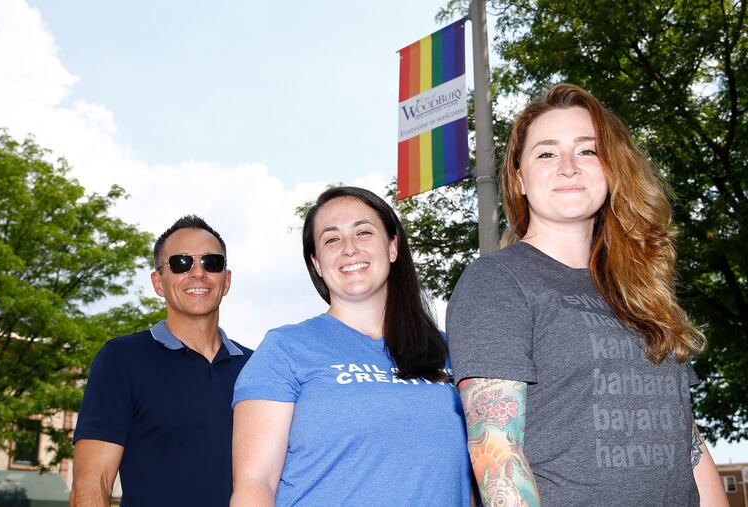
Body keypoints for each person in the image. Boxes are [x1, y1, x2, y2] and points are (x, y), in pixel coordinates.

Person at [447, 84, 728, 506]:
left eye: (587, 150)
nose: (568, 167)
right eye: (546, 152)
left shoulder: (644, 289)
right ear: (519, 178)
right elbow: (497, 453)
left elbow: (685, 438)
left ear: (612, 168)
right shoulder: (497, 281)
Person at [230, 186, 471, 506]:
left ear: (393, 247)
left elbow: (474, 474)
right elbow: (254, 484)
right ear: (316, 263)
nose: (349, 248)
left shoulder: (450, 351)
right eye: (331, 239)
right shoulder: (284, 349)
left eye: (363, 232)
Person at [70, 215, 253, 507]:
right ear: (158, 282)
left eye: (211, 263)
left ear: (226, 280)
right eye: (181, 263)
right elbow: (93, 484)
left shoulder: (257, 368)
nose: (198, 273)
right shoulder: (121, 359)